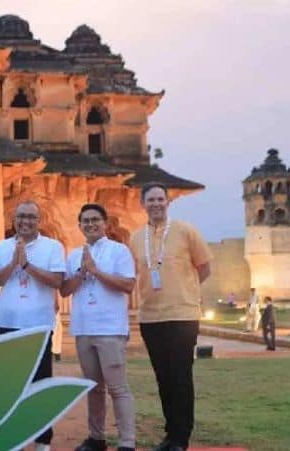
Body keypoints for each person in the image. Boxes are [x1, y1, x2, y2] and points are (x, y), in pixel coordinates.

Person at [130, 182, 212, 451]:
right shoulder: (135, 237)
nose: (156, 204)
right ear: (143, 204)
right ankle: (170, 433)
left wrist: (184, 291)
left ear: (168, 202)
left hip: (181, 316)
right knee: (162, 377)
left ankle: (181, 437)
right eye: (150, 200)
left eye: (160, 199)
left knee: (180, 376)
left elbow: (204, 267)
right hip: (151, 317)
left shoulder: (185, 231)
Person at [0, 201, 65, 451]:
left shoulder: (52, 247)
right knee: (9, 384)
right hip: (6, 322)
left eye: (31, 217)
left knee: (40, 384)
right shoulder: (2, 246)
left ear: (39, 220)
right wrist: (13, 263)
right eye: (21, 216)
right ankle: (13, 437)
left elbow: (56, 281)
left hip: (38, 324)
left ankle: (42, 441)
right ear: (14, 219)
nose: (26, 221)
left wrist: (27, 266)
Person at [60, 204, 136, 451]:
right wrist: (82, 272)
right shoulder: (73, 255)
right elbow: (65, 290)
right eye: (85, 221)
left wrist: (96, 271)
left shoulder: (118, 251)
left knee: (117, 387)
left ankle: (127, 442)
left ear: (105, 223)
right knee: (93, 387)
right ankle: (96, 438)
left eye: (95, 220)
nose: (90, 224)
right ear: (79, 225)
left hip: (110, 328)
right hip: (83, 328)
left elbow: (127, 285)